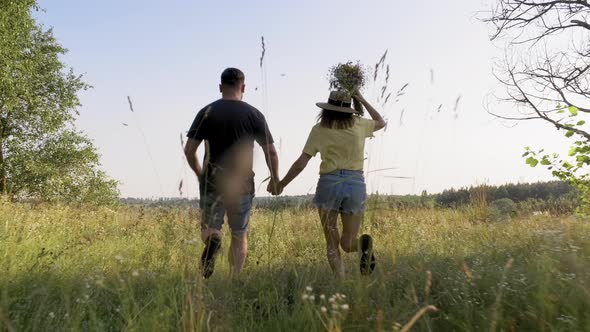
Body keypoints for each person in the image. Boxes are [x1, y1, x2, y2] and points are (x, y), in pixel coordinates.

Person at [269, 90, 385, 277]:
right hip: (355, 183)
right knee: (348, 243)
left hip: (329, 184)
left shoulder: (319, 129)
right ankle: (363, 245)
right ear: (350, 110)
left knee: (332, 241)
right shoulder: (360, 124)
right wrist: (361, 99)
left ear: (327, 110)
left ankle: (341, 283)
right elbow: (381, 121)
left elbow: (301, 163)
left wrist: (281, 183)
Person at [185, 67, 279, 278]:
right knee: (239, 234)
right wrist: (275, 178)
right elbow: (270, 150)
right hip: (243, 182)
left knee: (209, 228)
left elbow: (189, 150)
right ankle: (234, 279)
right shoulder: (254, 114)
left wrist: (200, 174)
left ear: (220, 87)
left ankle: (213, 239)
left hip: (213, 180)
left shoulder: (206, 112)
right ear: (243, 87)